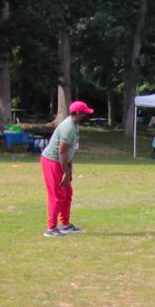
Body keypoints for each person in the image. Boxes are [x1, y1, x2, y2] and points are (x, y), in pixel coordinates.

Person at [41, 101, 92, 237]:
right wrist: (65, 172)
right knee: (57, 195)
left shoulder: (75, 125)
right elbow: (62, 151)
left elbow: (69, 151)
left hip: (62, 162)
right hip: (52, 161)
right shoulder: (68, 127)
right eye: (85, 113)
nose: (86, 115)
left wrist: (69, 168)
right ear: (78, 113)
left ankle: (65, 224)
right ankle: (51, 228)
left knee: (67, 192)